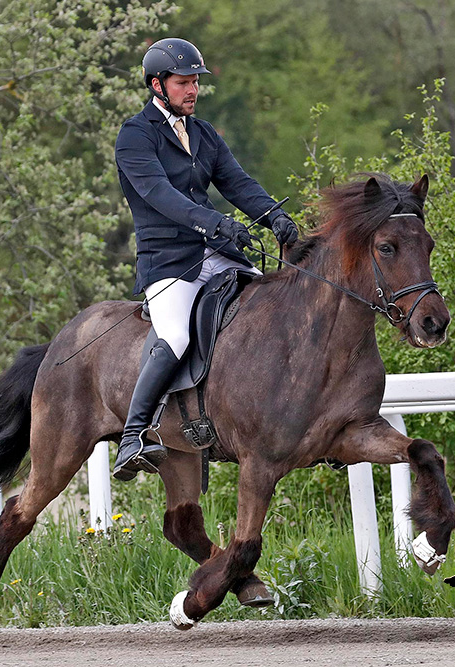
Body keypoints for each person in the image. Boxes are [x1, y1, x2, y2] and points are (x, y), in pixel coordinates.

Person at [112, 37, 298, 481]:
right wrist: (213, 223)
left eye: (195, 82)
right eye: (183, 83)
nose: (192, 90)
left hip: (219, 254)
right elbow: (161, 196)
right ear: (157, 85)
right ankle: (133, 436)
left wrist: (274, 215)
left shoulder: (204, 133)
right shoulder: (135, 136)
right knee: (175, 336)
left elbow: (238, 183)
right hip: (169, 262)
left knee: (273, 310)